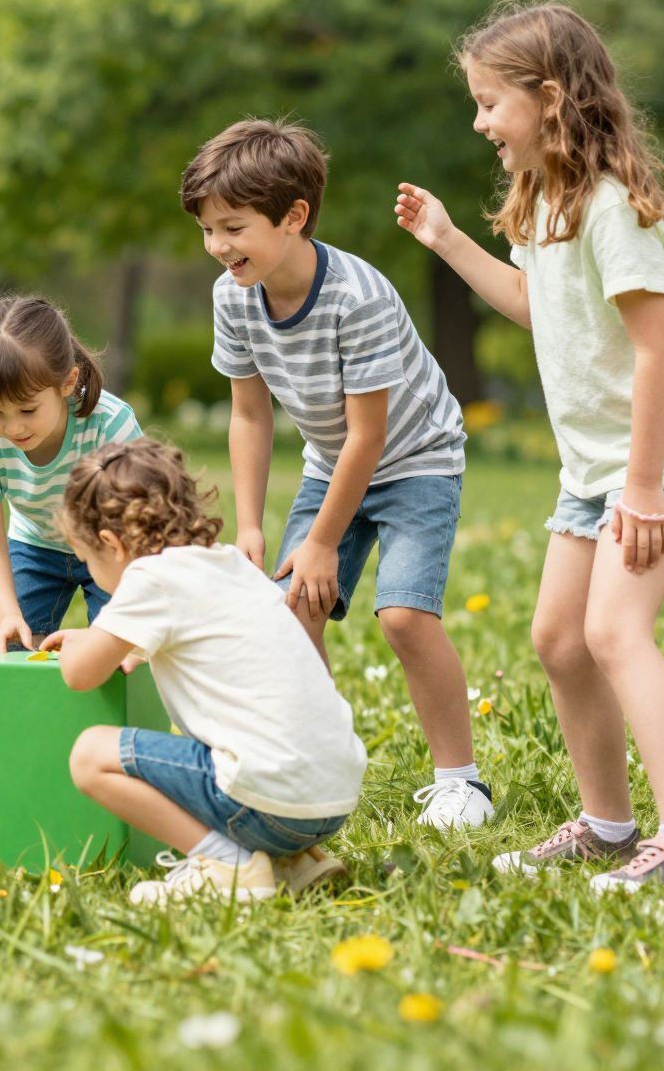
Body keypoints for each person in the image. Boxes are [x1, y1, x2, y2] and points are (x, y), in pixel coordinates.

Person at [399, 0, 664, 889]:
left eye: (488, 102)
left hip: (651, 460)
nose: (479, 123)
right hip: (594, 466)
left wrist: (647, 488)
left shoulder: (615, 207)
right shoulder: (547, 199)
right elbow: (539, 308)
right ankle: (608, 826)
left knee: (616, 633)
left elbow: (658, 350)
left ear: (547, 100)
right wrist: (448, 241)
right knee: (558, 637)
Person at [183, 118, 490, 830]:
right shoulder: (233, 296)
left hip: (416, 458)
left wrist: (321, 542)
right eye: (207, 230)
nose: (218, 247)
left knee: (405, 616)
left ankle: (462, 783)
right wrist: (254, 526)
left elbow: (371, 436)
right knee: (293, 611)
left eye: (233, 227)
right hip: (333, 460)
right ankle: (318, 764)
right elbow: (250, 416)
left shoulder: (359, 296)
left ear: (293, 218)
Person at [51, 439, 366, 905]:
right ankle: (293, 861)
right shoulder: (228, 566)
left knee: (89, 755)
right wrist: (103, 639)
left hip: (270, 804)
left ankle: (224, 864)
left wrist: (88, 640)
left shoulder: (150, 578)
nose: (91, 572)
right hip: (331, 797)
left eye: (87, 560)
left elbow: (79, 674)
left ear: (111, 544)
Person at [0, 296, 143, 655]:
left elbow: (140, 527)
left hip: (112, 548)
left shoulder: (110, 425)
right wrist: (9, 615)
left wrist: (122, 624)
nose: (13, 427)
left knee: (118, 651)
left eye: (27, 408)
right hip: (35, 547)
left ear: (67, 382)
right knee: (9, 648)